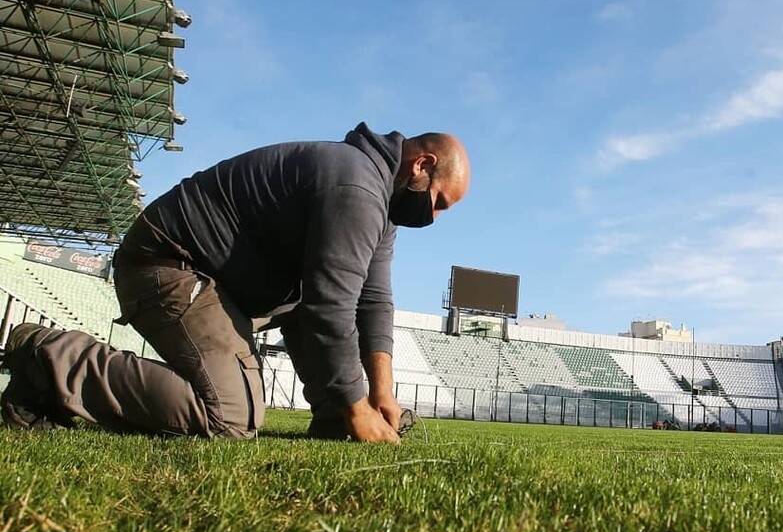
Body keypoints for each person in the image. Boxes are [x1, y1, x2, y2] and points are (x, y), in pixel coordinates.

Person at [0, 123, 470, 443]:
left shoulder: (379, 203)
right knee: (228, 417)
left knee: (316, 299)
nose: (434, 216)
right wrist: (356, 404)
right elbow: (332, 305)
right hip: (168, 264)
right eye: (440, 203)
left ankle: (334, 416)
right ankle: (49, 358)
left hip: (221, 283)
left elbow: (374, 300)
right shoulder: (355, 186)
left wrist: (380, 395)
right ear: (421, 165)